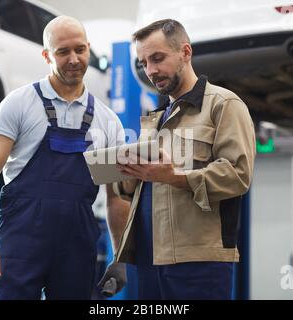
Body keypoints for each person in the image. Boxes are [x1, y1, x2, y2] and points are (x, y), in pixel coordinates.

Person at [0, 15, 129, 300]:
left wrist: (118, 258)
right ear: (46, 55)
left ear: (89, 49)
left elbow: (115, 196)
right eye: (63, 52)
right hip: (19, 244)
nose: (73, 59)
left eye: (80, 50)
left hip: (76, 247)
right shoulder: (19, 105)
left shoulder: (106, 122)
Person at [99, 19, 256, 300]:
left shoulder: (224, 105)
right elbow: (142, 189)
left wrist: (175, 176)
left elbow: (238, 175)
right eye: (144, 62)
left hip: (199, 260)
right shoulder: (155, 120)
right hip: (149, 259)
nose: (151, 70)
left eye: (158, 58)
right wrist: (123, 174)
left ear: (185, 52)